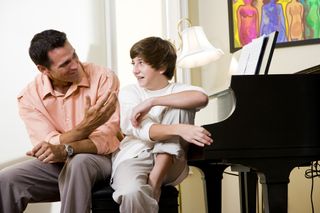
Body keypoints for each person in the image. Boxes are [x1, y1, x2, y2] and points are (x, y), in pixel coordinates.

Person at [0, 29, 120, 213]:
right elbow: (48, 146)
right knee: (6, 179)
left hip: (102, 160)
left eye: (74, 55)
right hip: (58, 166)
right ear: (43, 69)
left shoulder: (103, 77)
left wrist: (66, 148)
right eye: (65, 64)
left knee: (78, 162)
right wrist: (87, 126)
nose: (75, 65)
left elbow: (107, 139)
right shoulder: (29, 97)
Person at [111, 36, 213, 213]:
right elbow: (142, 129)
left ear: (162, 67)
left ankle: (155, 182)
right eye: (133, 63)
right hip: (134, 157)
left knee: (179, 107)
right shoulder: (129, 92)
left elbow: (202, 98)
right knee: (131, 192)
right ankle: (153, 188)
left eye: (141, 63)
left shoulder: (179, 90)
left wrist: (153, 102)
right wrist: (180, 129)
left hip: (170, 164)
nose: (135, 70)